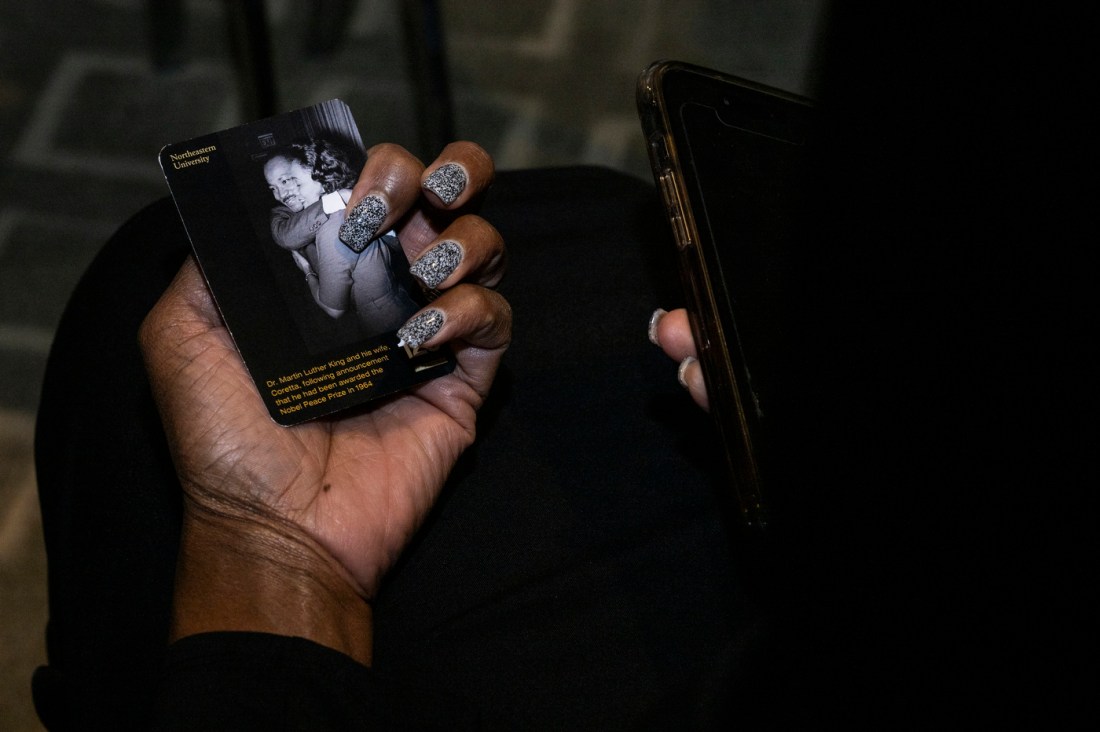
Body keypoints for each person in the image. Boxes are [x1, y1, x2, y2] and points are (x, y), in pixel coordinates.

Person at [263, 139, 423, 333]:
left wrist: (306, 271)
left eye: (290, 181)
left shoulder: (333, 228)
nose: (283, 194)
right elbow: (285, 235)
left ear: (319, 179)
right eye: (272, 188)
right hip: (402, 305)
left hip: (388, 323)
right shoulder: (336, 208)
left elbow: (333, 310)